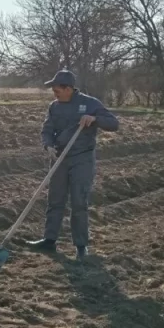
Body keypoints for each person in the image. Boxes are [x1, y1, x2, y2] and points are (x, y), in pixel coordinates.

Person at [27, 70, 118, 260]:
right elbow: (47, 129)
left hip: (81, 158)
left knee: (78, 202)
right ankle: (49, 240)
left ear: (68, 88)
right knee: (55, 200)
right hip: (59, 157)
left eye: (57, 89)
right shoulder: (54, 106)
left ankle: (81, 246)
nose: (54, 92)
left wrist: (95, 119)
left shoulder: (90, 103)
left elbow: (113, 123)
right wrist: (48, 145)